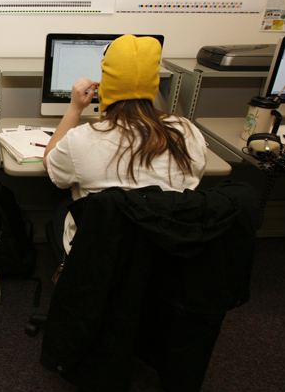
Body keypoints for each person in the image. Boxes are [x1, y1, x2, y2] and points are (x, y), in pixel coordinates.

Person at [43, 34, 207, 255]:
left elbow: (50, 161)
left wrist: (74, 108)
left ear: (106, 84)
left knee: (61, 189)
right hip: (165, 250)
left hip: (99, 256)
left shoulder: (82, 140)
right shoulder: (186, 131)